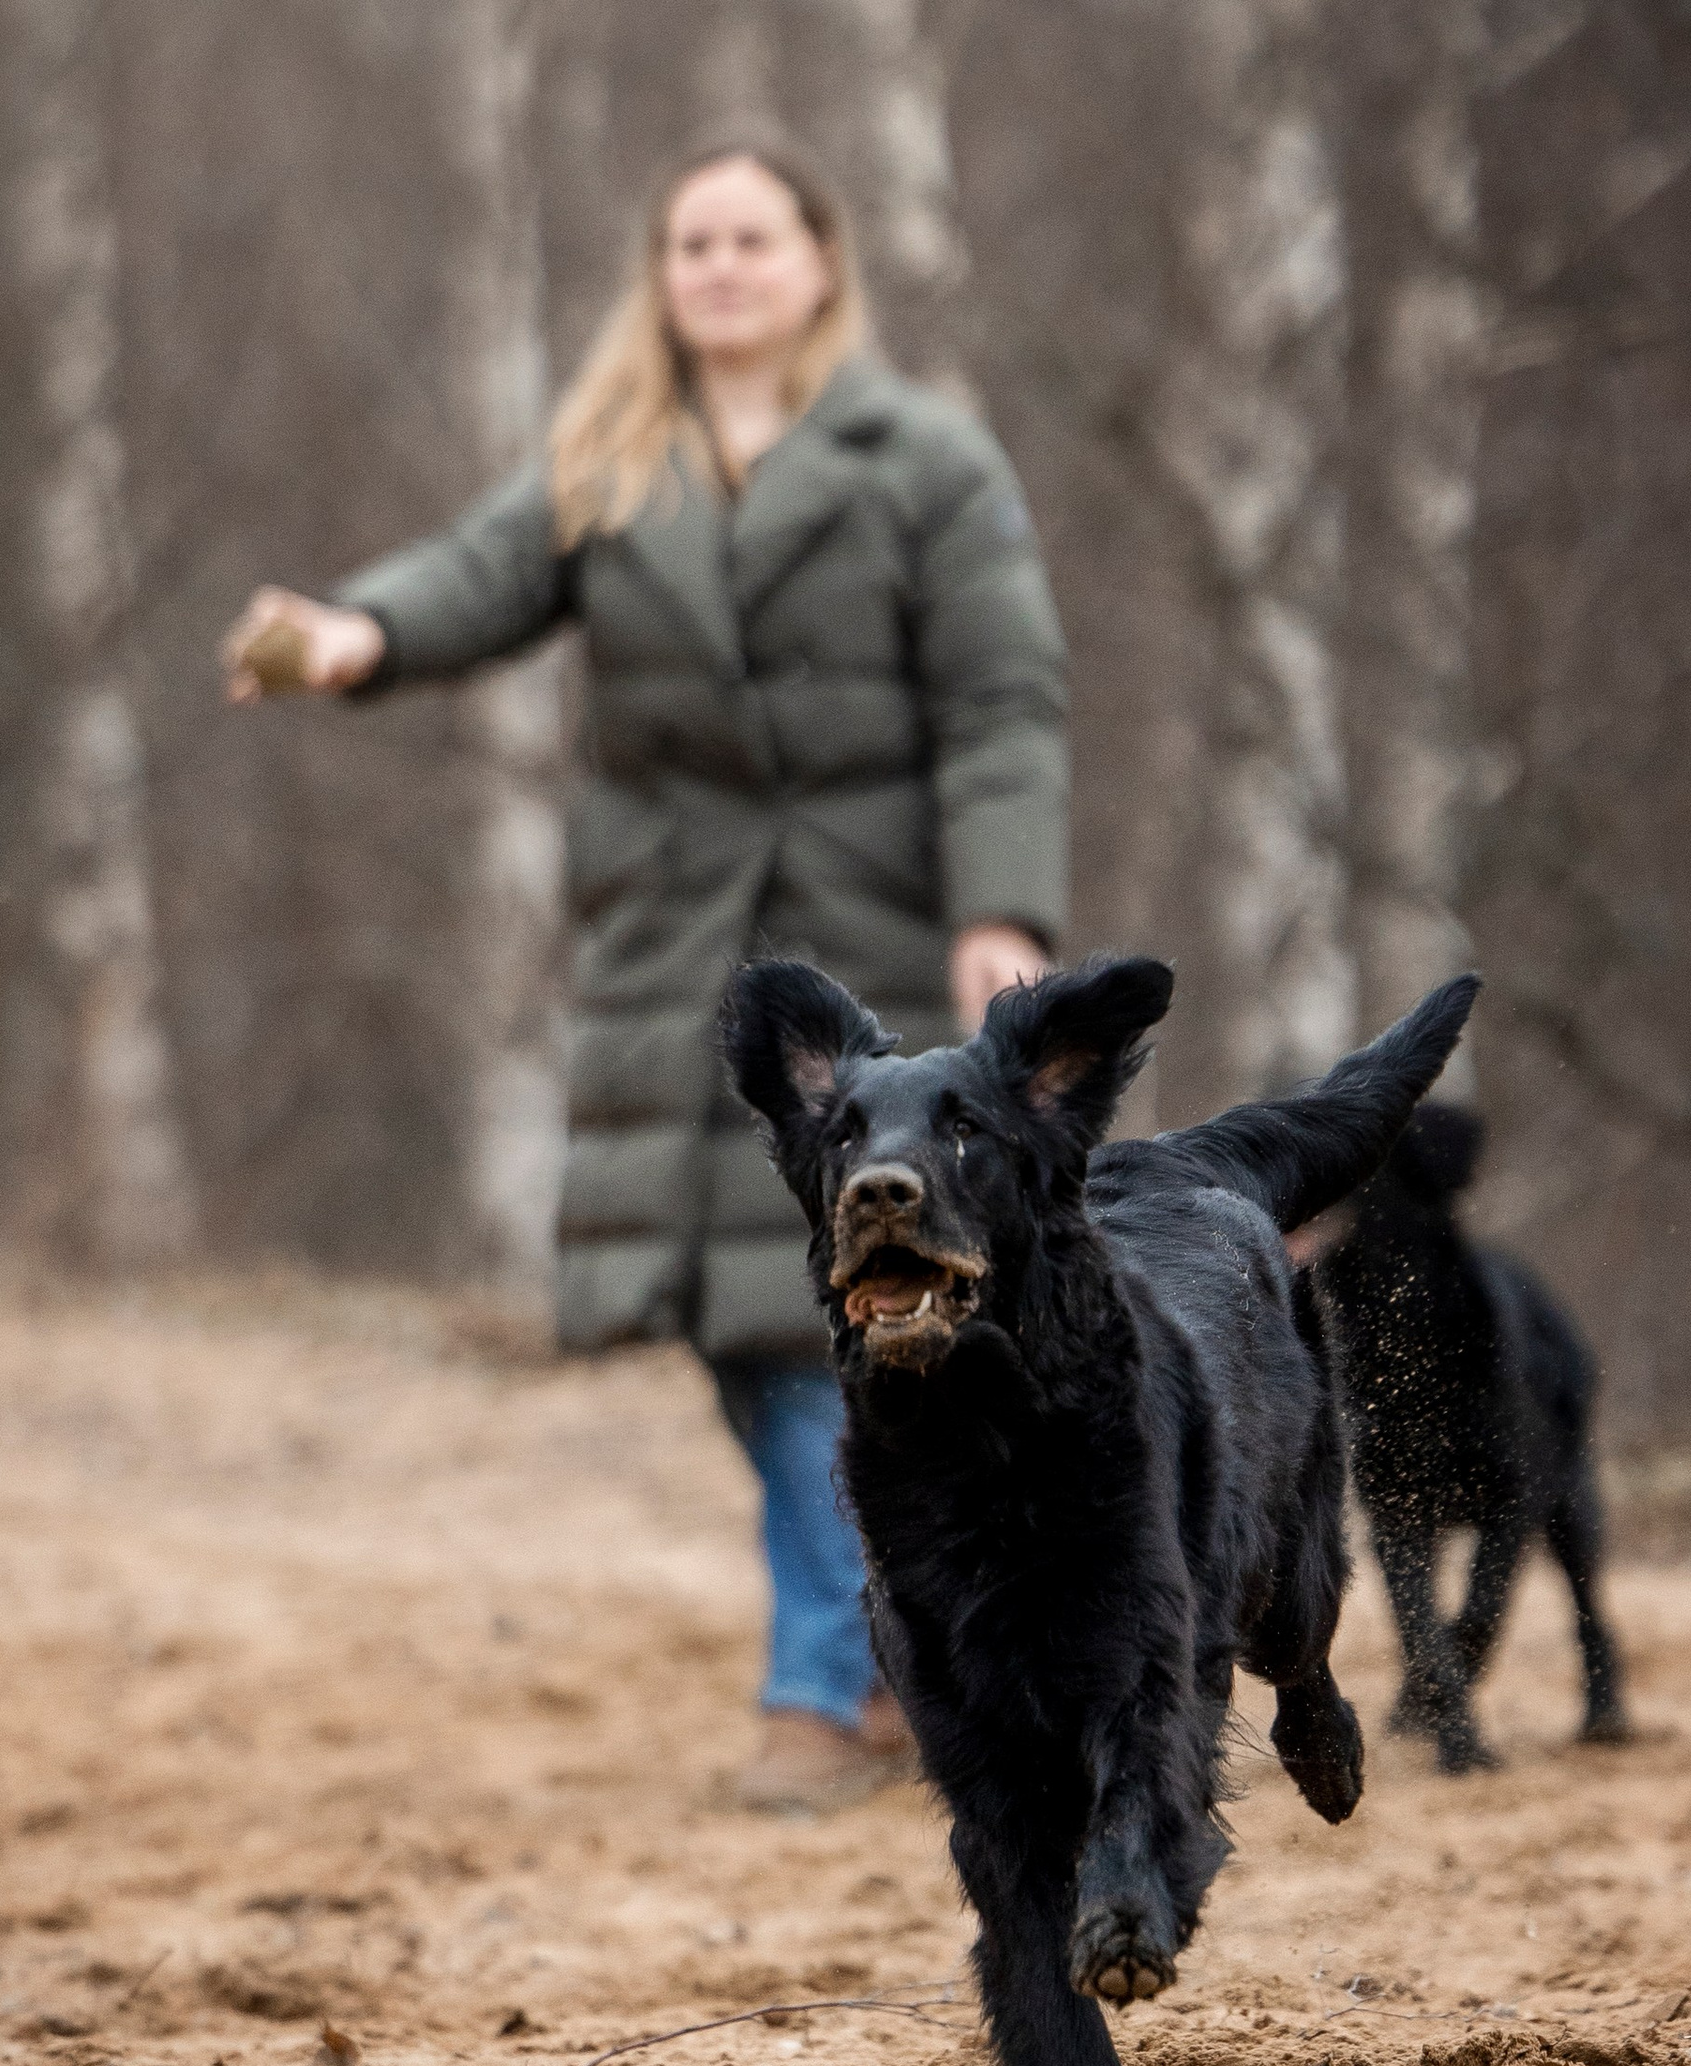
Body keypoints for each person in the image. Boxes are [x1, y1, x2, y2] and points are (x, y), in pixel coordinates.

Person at [221, 132, 1069, 1812]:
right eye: (693, 243)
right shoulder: (614, 458)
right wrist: (347, 636)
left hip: (881, 935)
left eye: (753, 238)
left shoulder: (929, 461)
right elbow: (475, 577)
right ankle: (886, 1666)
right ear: (663, 276)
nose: (722, 267)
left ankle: (826, 1689)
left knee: (867, 1319)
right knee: (754, 1327)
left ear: (821, 262)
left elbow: (1001, 702)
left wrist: (1007, 912)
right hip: (684, 950)